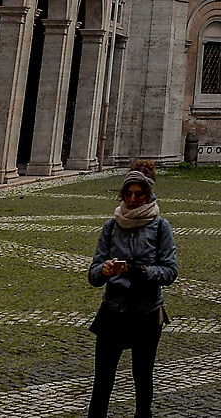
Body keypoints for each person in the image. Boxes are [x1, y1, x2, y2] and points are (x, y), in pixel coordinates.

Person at [87, 171, 176, 418]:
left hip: (146, 311)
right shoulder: (111, 225)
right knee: (103, 380)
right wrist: (104, 271)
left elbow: (170, 271)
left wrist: (140, 271)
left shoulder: (160, 227)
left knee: (143, 377)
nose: (133, 199)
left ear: (148, 195)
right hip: (113, 310)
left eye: (138, 194)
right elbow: (92, 274)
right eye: (128, 193)